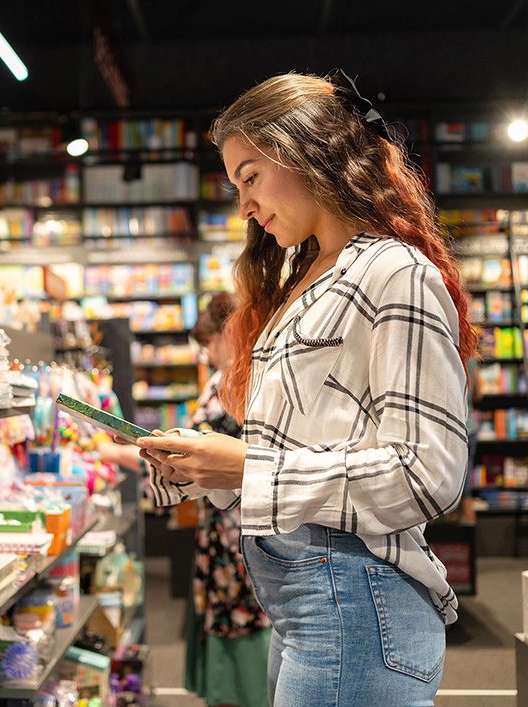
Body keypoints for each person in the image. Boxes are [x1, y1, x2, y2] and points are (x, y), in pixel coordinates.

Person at [136, 70, 476, 707]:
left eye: (249, 176)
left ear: (302, 152)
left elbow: (427, 472)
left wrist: (247, 466)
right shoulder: (304, 278)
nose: (244, 206)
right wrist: (208, 468)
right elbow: (306, 445)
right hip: (307, 604)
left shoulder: (392, 271)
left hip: (355, 598)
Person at [183, 292, 271, 707]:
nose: (208, 353)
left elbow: (199, 447)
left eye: (210, 343)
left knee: (239, 611)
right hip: (237, 515)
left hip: (233, 518)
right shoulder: (244, 376)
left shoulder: (231, 381)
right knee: (241, 610)